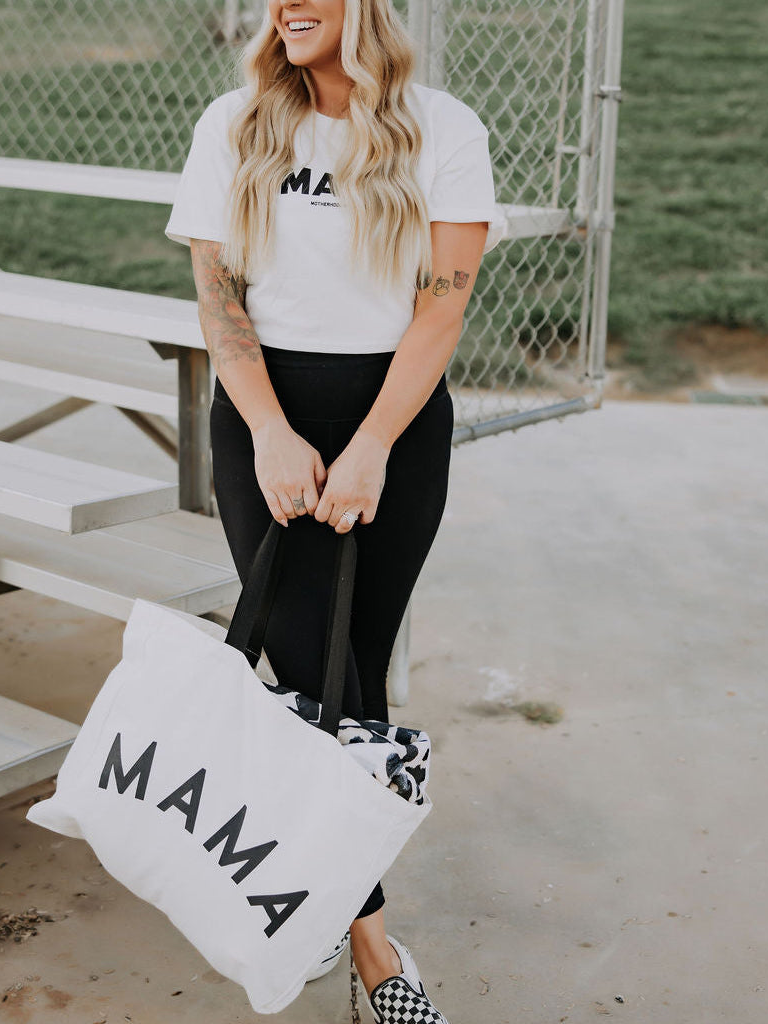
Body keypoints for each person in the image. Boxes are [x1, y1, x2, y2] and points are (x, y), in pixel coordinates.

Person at [164, 1, 501, 1020]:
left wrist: (370, 447)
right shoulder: (236, 121)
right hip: (266, 418)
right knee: (324, 680)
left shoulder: (443, 127)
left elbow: (443, 302)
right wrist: (268, 429)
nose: (287, 5)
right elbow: (217, 296)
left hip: (390, 422)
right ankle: (374, 954)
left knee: (355, 670)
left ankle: (317, 903)